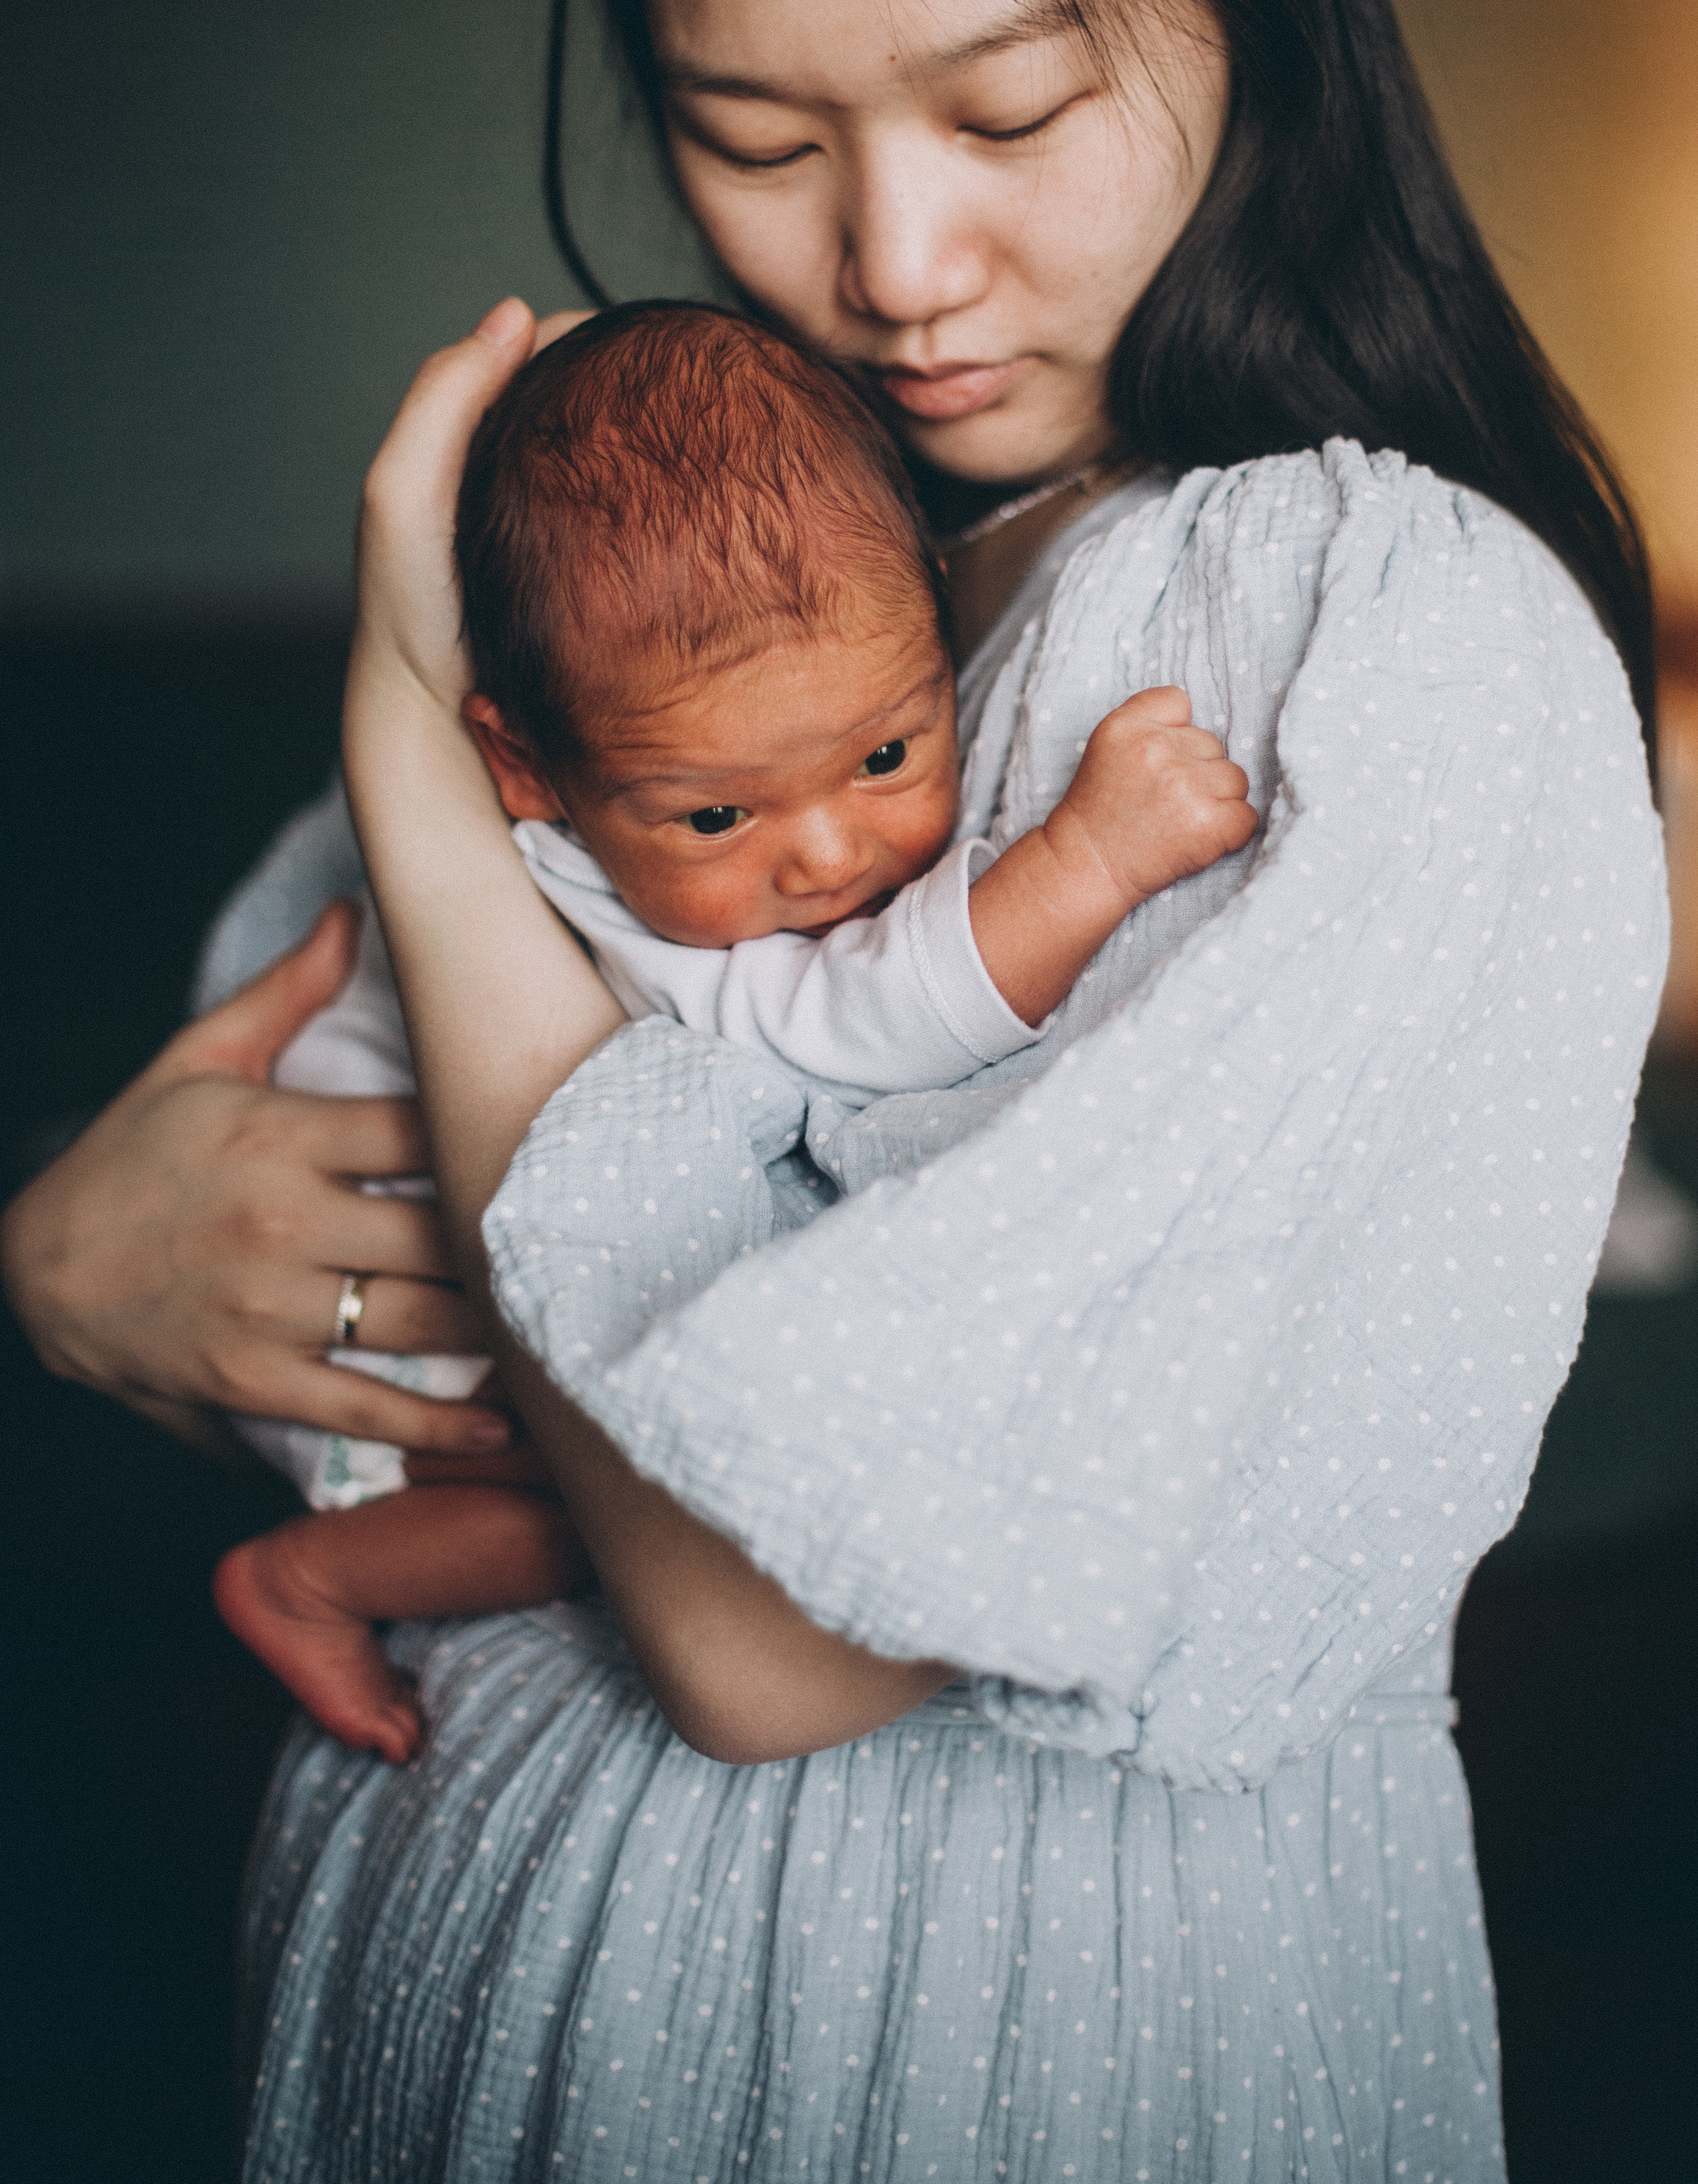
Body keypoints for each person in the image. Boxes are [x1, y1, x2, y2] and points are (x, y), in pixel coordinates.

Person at [0, 0, 1666, 2182]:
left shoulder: (1384, 644)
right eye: (750, 139)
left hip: (993, 2055)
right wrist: (78, 1252)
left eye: (1008, 113)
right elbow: (341, 1247)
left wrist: (430, 757)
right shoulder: (710, 582)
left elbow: (770, 1632)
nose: (888, 265)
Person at [214, 301, 1256, 1761]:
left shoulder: (699, 773)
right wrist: (1083, 862)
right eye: (716, 814)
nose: (831, 853)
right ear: (523, 765)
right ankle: (300, 1578)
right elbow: (844, 1024)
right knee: (617, 1523)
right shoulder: (594, 880)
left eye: (886, 753)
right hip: (382, 1312)